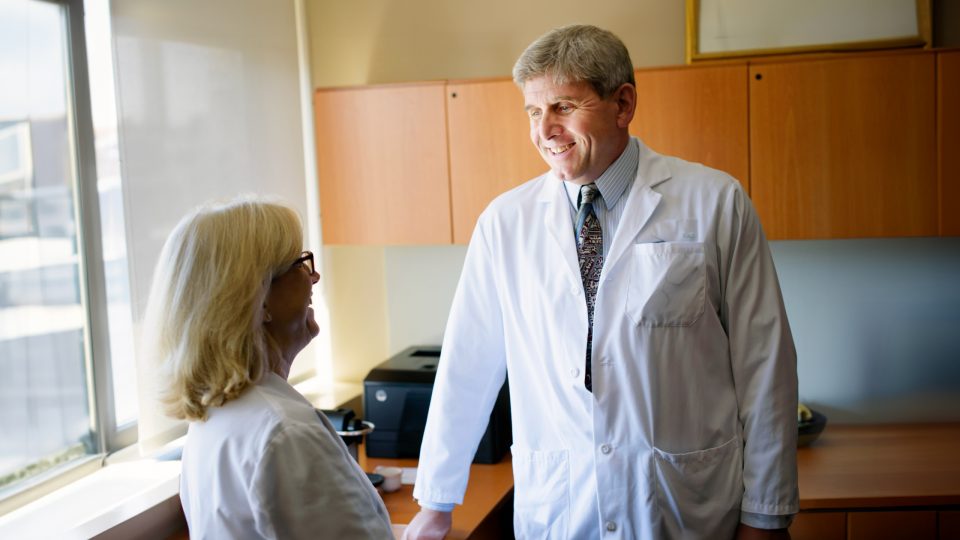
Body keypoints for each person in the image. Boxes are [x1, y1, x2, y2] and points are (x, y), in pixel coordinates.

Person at [404, 25, 798, 540]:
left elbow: (764, 365)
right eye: (532, 111)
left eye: (563, 107)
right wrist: (436, 501)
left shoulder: (714, 203)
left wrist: (766, 515)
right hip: (564, 508)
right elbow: (467, 366)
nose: (545, 129)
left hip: (685, 507)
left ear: (623, 103)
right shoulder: (505, 223)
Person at [141, 197, 393, 539]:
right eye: (300, 264)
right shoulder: (286, 433)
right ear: (258, 299)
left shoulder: (217, 417)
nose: (314, 276)